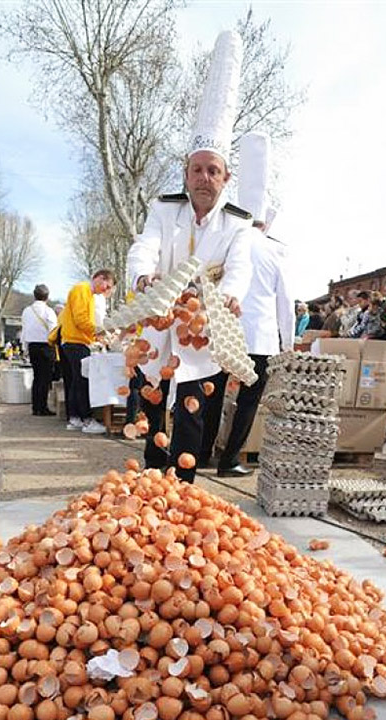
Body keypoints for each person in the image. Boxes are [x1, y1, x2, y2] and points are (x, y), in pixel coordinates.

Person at [127, 30, 252, 483]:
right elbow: (146, 245)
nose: (203, 178)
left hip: (206, 328)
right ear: (186, 173)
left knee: (196, 406)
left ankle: (184, 486)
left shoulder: (238, 224)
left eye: (212, 171)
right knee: (152, 399)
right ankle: (151, 478)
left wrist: (232, 295)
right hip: (162, 324)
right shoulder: (165, 209)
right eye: (196, 169)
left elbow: (240, 269)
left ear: (225, 177)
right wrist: (142, 276)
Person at [199, 131, 294, 477]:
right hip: (259, 339)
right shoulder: (273, 250)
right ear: (266, 222)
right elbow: (285, 302)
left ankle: (203, 450)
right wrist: (288, 343)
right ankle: (230, 460)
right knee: (247, 402)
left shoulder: (226, 240)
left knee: (213, 394)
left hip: (225, 333)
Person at [60, 270, 116, 433]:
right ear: (99, 278)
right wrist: (99, 331)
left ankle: (75, 418)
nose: (106, 290)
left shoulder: (88, 294)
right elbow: (81, 320)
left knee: (77, 381)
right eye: (107, 286)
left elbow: (84, 321)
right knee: (82, 382)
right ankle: (86, 419)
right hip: (75, 342)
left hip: (76, 341)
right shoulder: (82, 290)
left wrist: (96, 335)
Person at [20, 284, 57, 416]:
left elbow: (24, 330)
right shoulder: (49, 311)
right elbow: (54, 329)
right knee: (45, 378)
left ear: (34, 295)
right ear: (47, 297)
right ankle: (43, 407)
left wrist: (24, 347)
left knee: (37, 377)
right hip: (46, 346)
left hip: (32, 346)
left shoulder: (26, 311)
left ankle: (35, 407)